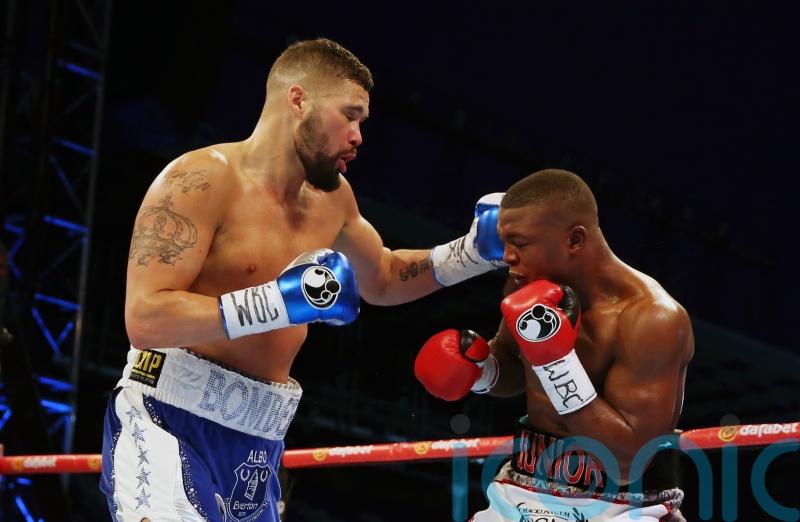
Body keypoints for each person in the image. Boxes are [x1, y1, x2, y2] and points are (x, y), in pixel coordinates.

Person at [100, 38, 505, 522]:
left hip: (260, 441)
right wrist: (276, 303)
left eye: (362, 122)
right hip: (169, 420)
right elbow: (145, 317)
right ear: (298, 100)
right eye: (349, 115)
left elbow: (384, 277)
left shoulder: (333, 200)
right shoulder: (200, 179)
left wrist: (473, 253)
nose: (358, 136)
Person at [415, 169, 693, 521]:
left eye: (520, 243)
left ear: (574, 240)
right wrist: (480, 370)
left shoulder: (652, 319)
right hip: (523, 488)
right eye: (505, 242)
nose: (507, 256)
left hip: (623, 506)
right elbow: (515, 368)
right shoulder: (527, 286)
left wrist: (556, 363)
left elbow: (627, 460)